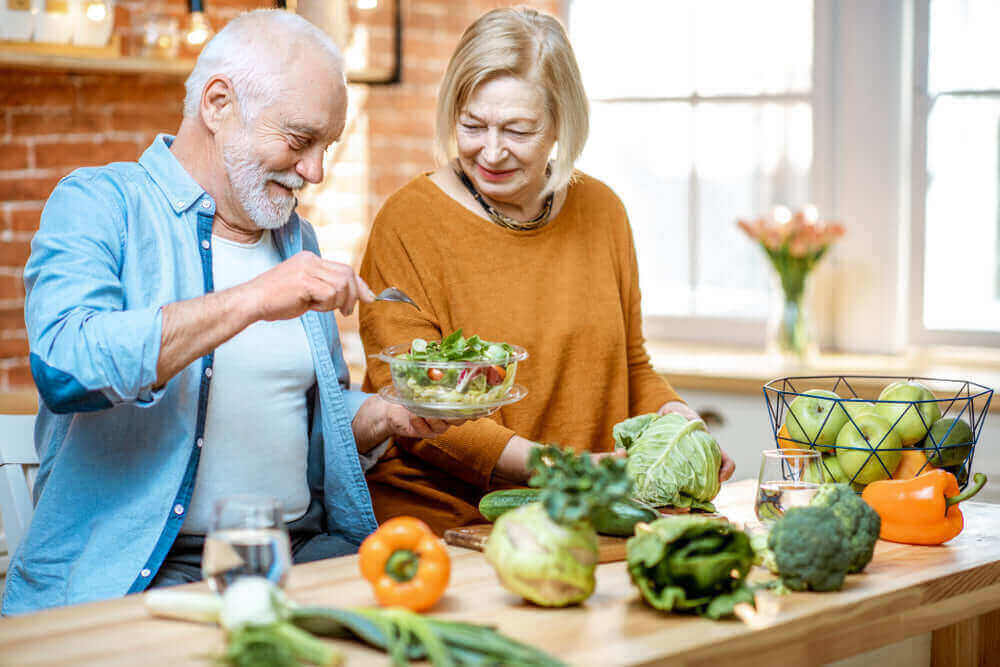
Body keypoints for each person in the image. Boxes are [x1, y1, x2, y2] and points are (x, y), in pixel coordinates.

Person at [3, 10, 455, 615]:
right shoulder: (100, 203)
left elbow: (296, 425)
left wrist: (385, 415)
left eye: (326, 148)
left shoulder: (298, 241)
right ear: (218, 104)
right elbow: (66, 367)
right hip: (149, 574)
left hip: (303, 554)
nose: (314, 171)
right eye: (299, 141)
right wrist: (253, 300)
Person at [358, 7, 735, 535]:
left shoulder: (602, 211)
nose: (490, 151)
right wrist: (562, 468)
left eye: (518, 129)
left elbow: (631, 363)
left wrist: (680, 425)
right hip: (449, 524)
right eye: (472, 125)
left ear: (561, 122)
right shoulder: (408, 221)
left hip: (583, 514)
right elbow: (413, 402)